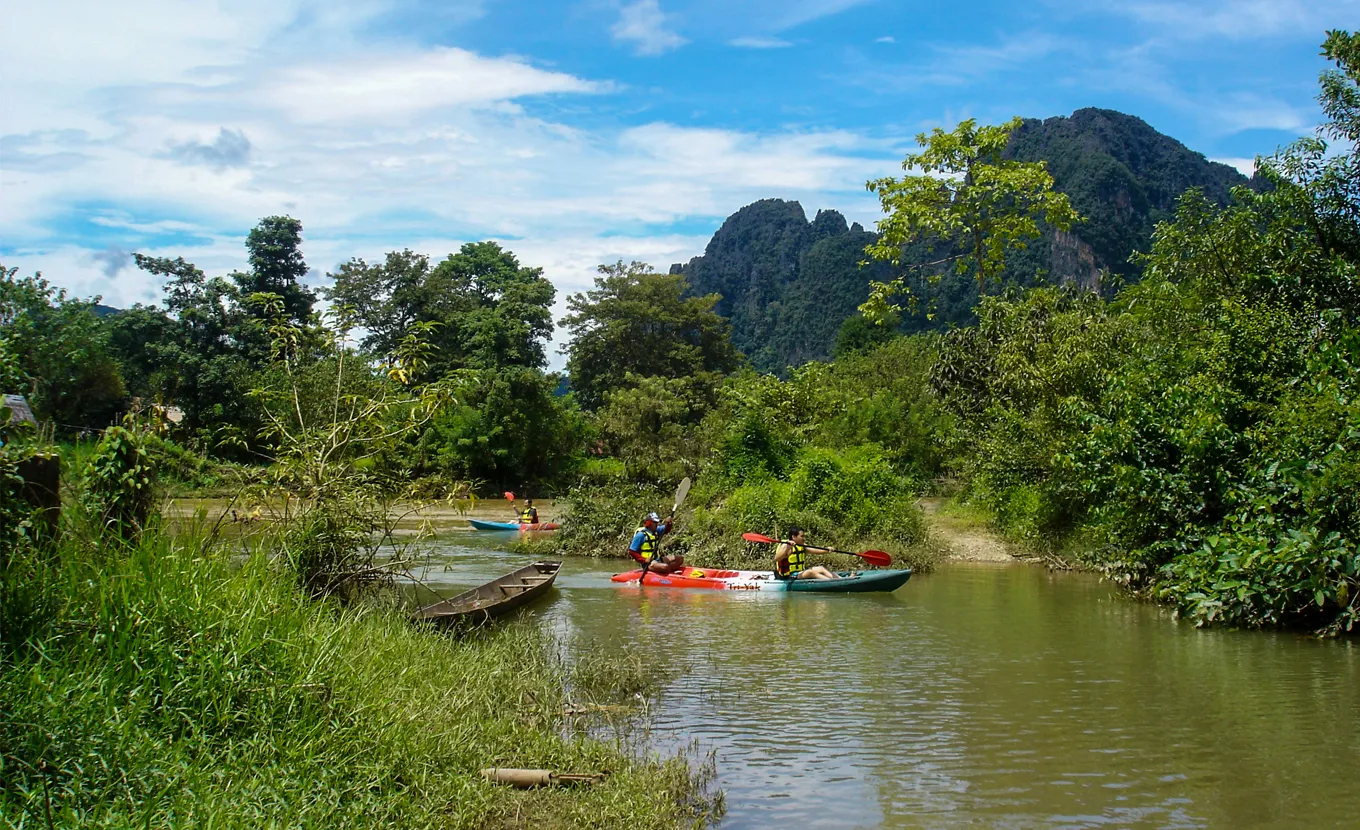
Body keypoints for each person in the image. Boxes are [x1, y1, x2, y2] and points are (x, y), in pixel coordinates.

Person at [774, 527, 841, 581]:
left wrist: (826, 550)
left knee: (821, 568)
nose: (804, 538)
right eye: (802, 536)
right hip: (788, 575)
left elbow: (814, 550)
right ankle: (831, 582)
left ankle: (840, 579)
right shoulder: (785, 545)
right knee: (810, 572)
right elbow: (777, 558)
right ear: (794, 537)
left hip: (799, 572)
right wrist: (788, 548)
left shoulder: (801, 545)